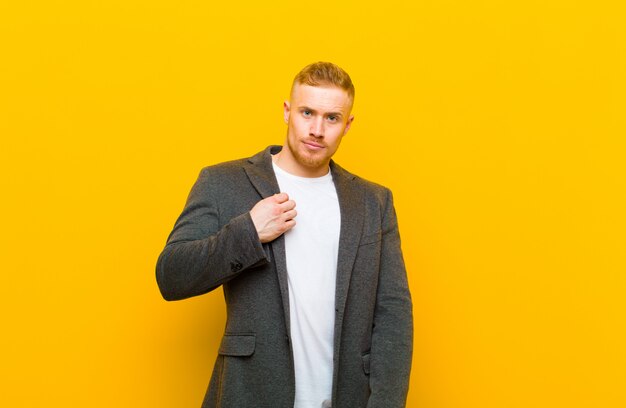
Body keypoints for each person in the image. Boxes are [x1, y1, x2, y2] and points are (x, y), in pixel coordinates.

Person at [156, 61, 413, 408]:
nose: (317, 129)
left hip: (346, 396)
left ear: (347, 125)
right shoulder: (223, 182)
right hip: (250, 394)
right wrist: (248, 232)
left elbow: (393, 314)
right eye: (307, 112)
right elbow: (171, 276)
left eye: (332, 118)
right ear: (287, 112)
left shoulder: (373, 202)